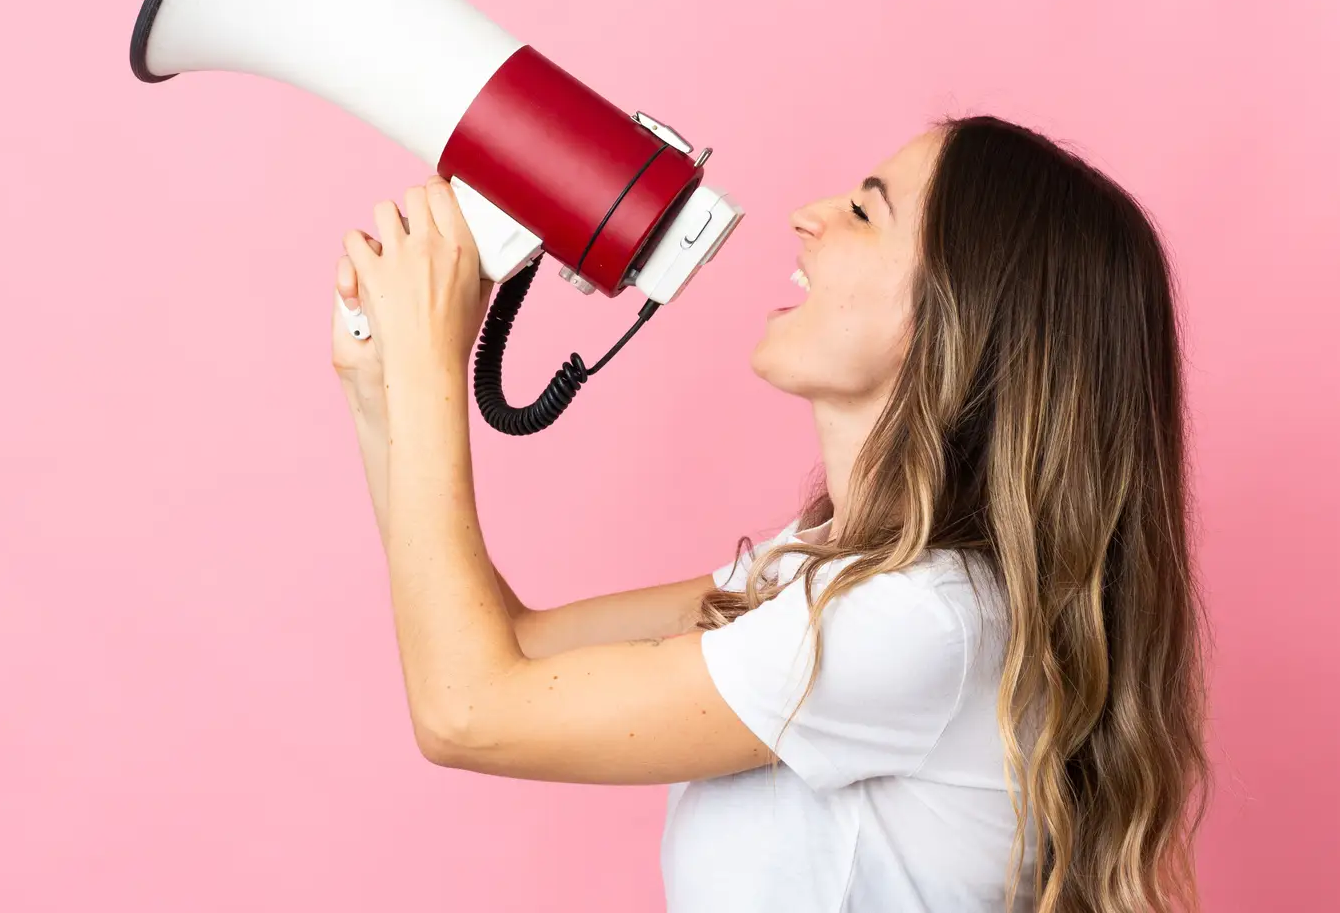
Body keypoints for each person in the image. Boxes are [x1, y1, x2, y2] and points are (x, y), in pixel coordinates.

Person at [330, 116, 1209, 913]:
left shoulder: (922, 621)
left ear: (963, 314)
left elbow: (470, 712)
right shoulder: (820, 570)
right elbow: (514, 646)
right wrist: (381, 392)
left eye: (867, 214)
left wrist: (429, 367)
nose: (808, 216)